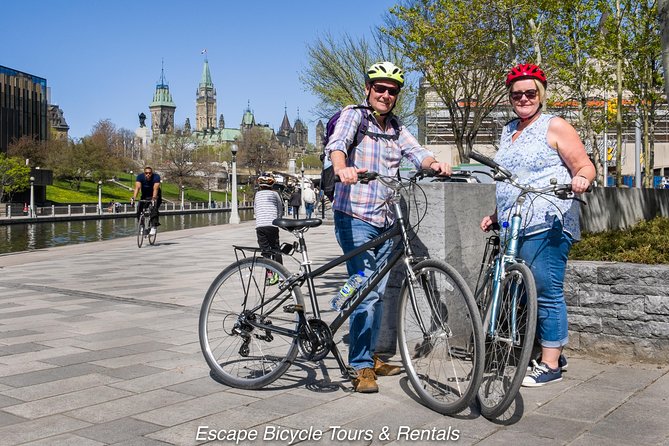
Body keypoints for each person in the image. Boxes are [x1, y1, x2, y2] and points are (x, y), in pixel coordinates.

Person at [325, 61, 452, 393]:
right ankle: (361, 366)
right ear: (368, 89)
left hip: (385, 218)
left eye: (391, 90)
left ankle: (368, 353)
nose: (385, 94)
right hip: (354, 215)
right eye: (379, 88)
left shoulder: (396, 126)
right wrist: (342, 168)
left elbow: (417, 152)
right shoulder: (355, 114)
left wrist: (434, 163)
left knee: (377, 292)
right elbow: (338, 145)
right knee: (366, 290)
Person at [479, 63, 595, 387]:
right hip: (515, 223)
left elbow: (584, 164)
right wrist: (497, 214)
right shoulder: (508, 131)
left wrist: (582, 179)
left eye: (530, 92)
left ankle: (550, 365)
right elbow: (515, 180)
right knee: (521, 293)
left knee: (545, 289)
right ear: (510, 97)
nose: (524, 98)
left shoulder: (554, 126)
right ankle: (552, 350)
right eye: (517, 94)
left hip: (548, 219)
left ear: (540, 95)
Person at [254, 173, 284, 285]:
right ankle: (281, 274)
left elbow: (256, 209)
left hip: (260, 225)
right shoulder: (275, 194)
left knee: (265, 251)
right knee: (276, 249)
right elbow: (280, 208)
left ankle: (269, 274)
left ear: (260, 185)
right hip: (272, 225)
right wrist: (279, 219)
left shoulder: (257, 195)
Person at [132, 166, 162, 234]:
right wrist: (133, 198)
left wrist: (154, 198)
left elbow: (156, 188)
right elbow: (137, 187)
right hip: (145, 195)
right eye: (146, 173)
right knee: (139, 209)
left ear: (152, 173)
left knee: (154, 208)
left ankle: (154, 226)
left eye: (149, 173)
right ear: (144, 173)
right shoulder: (140, 177)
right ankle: (142, 226)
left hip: (156, 194)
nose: (148, 174)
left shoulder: (156, 177)